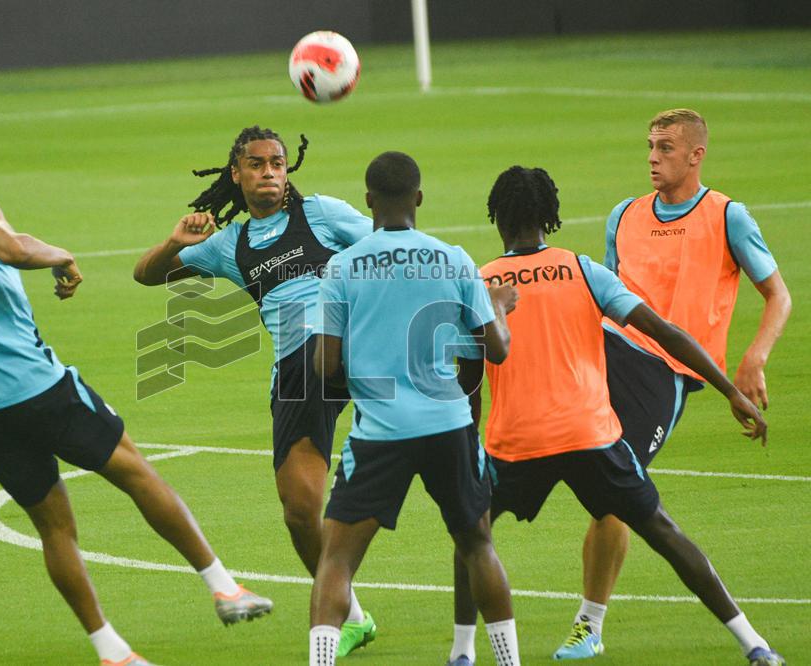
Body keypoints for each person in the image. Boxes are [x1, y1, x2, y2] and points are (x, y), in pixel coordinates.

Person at [0, 135, 272, 666]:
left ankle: (112, 652)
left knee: (54, 529)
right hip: (39, 388)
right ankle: (225, 589)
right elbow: (11, 248)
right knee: (137, 473)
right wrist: (62, 255)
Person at [452, 165, 784, 666]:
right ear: (551, 217)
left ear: (497, 217)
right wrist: (726, 390)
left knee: (472, 533)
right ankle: (753, 643)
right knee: (665, 534)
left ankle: (463, 652)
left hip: (517, 440)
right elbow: (666, 333)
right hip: (590, 433)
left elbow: (469, 381)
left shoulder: (480, 283)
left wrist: (467, 447)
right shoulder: (585, 270)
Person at [556, 108, 792, 660]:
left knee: (615, 492)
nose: (653, 158)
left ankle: (589, 624)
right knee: (597, 481)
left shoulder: (728, 216)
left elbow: (778, 295)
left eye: (664, 148)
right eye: (650, 147)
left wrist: (753, 358)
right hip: (603, 352)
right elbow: (608, 295)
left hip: (667, 375)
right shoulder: (624, 214)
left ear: (695, 155)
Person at [134, 126, 378, 655]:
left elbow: (389, 245)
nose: (269, 172)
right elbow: (146, 275)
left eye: (277, 163)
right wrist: (175, 243)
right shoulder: (228, 245)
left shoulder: (322, 215)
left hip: (355, 346)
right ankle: (352, 613)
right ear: (237, 174)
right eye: (257, 164)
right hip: (296, 371)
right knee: (298, 509)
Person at [309, 151, 520, 666]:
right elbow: (496, 350)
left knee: (336, 559)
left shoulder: (342, 267)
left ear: (368, 201)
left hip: (381, 430)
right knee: (478, 546)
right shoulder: (454, 258)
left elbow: (324, 365)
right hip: (449, 424)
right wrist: (496, 306)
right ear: (419, 198)